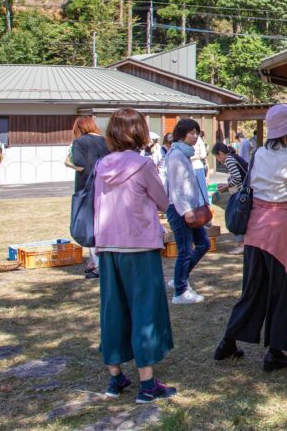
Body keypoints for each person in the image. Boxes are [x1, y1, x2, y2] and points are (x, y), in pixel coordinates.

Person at [214, 104, 287, 372]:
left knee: (252, 290)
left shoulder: (260, 154)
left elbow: (268, 192)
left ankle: (228, 342)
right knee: (282, 291)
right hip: (279, 230)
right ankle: (275, 352)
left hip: (256, 228)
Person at [93, 108, 176, 404]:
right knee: (145, 309)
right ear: (139, 132)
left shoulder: (101, 165)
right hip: (139, 244)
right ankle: (147, 383)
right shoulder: (142, 165)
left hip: (108, 244)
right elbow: (164, 201)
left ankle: (115, 377)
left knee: (112, 309)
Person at [165, 119, 211, 305]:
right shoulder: (176, 155)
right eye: (191, 133)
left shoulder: (184, 154)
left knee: (203, 243)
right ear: (181, 134)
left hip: (188, 208)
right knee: (185, 249)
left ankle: (179, 278)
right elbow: (176, 188)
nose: (195, 136)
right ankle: (180, 291)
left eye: (196, 133)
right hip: (180, 209)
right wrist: (186, 210)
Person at [66, 116, 109, 280]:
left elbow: (80, 165)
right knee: (102, 224)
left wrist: (68, 163)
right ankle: (95, 262)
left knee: (89, 226)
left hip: (87, 188)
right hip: (106, 188)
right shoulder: (106, 141)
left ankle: (96, 264)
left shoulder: (80, 142)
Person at [212, 143, 247, 255]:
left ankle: (241, 244)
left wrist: (226, 187)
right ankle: (241, 244)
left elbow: (237, 178)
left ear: (220, 153)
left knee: (236, 218)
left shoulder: (229, 160)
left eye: (217, 157)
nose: (219, 160)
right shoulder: (234, 157)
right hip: (244, 192)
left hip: (241, 193)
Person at [192, 129, 209, 203]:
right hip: (197, 164)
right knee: (201, 189)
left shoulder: (183, 139)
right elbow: (203, 155)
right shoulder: (199, 139)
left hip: (189, 166)